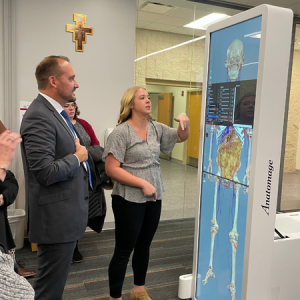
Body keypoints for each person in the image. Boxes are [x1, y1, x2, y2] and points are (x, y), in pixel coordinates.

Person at [103, 86, 190, 300]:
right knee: (124, 250)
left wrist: (185, 124)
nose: (148, 100)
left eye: (148, 97)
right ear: (131, 104)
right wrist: (141, 183)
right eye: (142, 97)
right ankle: (115, 297)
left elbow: (180, 137)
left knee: (144, 246)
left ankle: (138, 290)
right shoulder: (121, 132)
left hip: (153, 196)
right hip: (128, 198)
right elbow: (111, 169)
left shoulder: (155, 127)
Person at [20, 55, 90, 300]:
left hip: (64, 216)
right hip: (55, 220)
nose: (76, 84)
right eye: (71, 78)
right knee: (49, 291)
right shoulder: (39, 115)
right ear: (53, 81)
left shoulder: (55, 112)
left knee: (53, 288)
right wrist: (78, 157)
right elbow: (44, 172)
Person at [63, 101, 106, 263]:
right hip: (71, 173)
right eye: (67, 105)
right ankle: (73, 247)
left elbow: (97, 146)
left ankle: (75, 240)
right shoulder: (59, 125)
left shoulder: (84, 124)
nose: (71, 108)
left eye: (73, 105)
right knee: (72, 212)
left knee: (87, 210)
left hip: (90, 173)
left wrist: (85, 152)